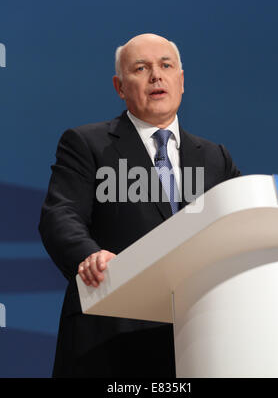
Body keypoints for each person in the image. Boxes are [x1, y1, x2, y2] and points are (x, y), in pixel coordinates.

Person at [39, 33, 241, 378]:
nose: (156, 76)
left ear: (181, 80)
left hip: (197, 336)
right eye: (141, 68)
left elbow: (240, 222)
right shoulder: (87, 144)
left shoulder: (213, 157)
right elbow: (61, 214)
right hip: (112, 333)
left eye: (166, 66)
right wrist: (89, 256)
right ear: (120, 86)